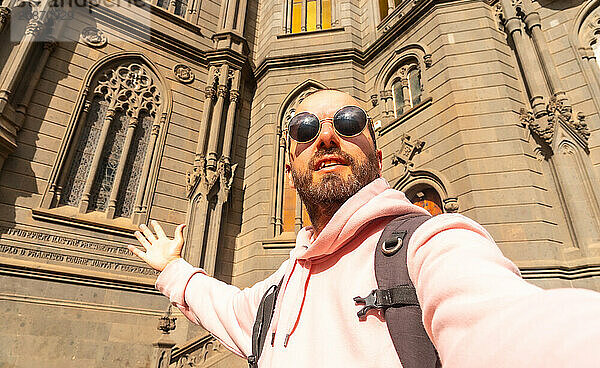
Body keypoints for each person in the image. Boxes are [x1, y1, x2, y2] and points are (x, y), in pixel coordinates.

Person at [129, 90, 600, 367]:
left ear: (377, 157)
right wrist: (172, 268)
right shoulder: (280, 288)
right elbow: (228, 308)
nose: (327, 136)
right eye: (305, 128)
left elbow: (505, 324)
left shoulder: (430, 243)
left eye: (349, 122)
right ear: (290, 166)